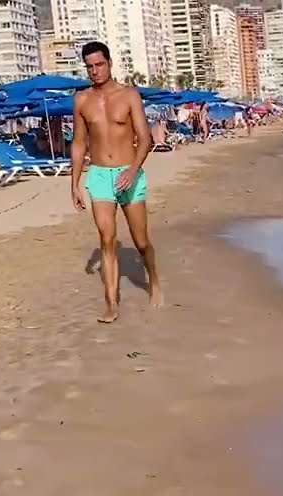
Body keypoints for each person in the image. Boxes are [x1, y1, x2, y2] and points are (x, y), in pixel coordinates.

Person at [71, 40, 161, 324]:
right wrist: (74, 183)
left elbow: (145, 139)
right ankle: (111, 303)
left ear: (109, 64)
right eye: (90, 67)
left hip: (129, 172)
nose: (95, 71)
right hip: (99, 174)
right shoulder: (81, 100)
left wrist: (133, 170)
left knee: (141, 240)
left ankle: (154, 279)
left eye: (99, 65)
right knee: (106, 239)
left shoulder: (129, 96)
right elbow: (78, 143)